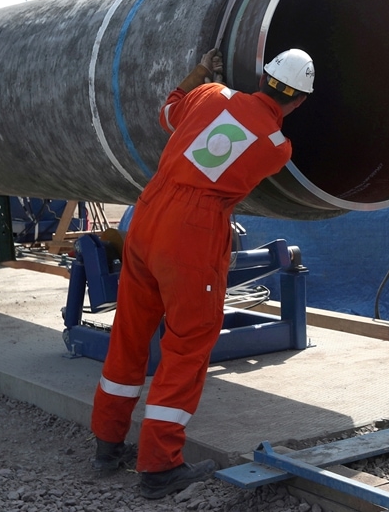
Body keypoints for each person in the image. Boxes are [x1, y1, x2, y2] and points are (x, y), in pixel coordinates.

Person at [89, 46, 315, 498]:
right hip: (192, 233)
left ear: (263, 77)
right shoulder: (277, 147)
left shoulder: (210, 93)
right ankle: (158, 467)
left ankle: (107, 445)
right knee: (187, 344)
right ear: (300, 101)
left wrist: (197, 75)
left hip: (148, 214)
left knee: (130, 332)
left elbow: (168, 113)